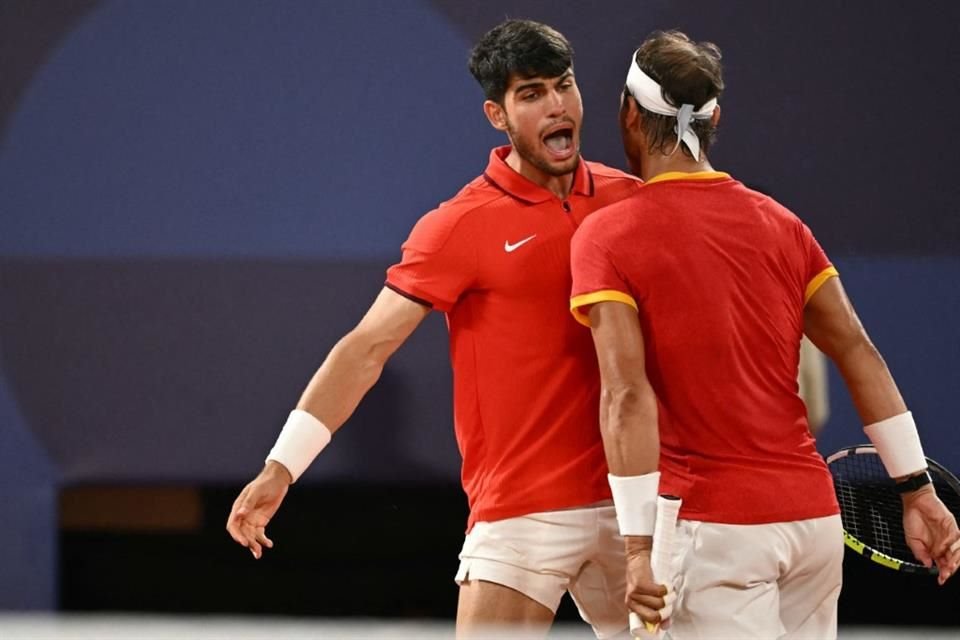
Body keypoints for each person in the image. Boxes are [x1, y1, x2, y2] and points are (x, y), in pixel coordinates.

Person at [226, 19, 643, 638]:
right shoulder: (457, 226)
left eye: (565, 86)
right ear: (496, 115)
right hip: (523, 510)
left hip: (634, 507)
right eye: (531, 93)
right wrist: (280, 467)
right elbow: (365, 349)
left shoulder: (631, 202)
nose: (557, 106)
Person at [568, 30, 960, 639]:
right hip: (811, 527)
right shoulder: (784, 226)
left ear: (628, 113)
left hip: (712, 531)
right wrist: (917, 489)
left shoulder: (607, 235)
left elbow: (626, 396)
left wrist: (639, 547)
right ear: (715, 116)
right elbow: (858, 351)